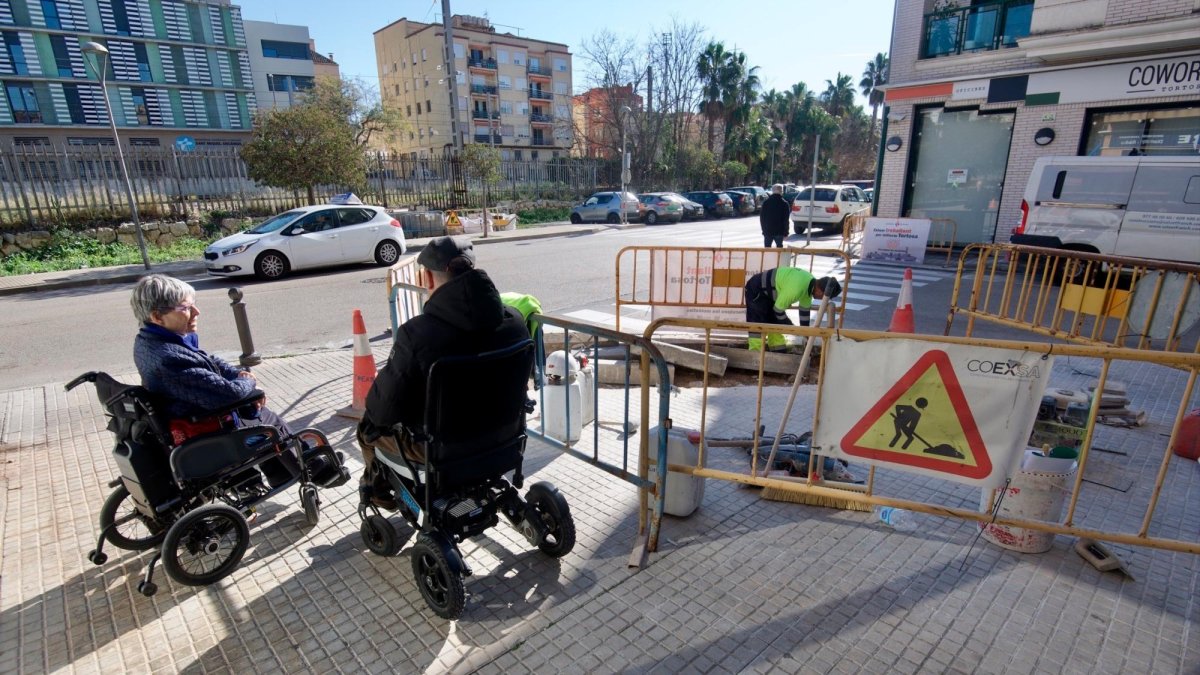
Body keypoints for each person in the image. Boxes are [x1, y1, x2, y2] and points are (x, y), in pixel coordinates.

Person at [357, 236, 530, 508]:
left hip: (442, 452)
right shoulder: (515, 322)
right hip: (504, 439)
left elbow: (383, 410)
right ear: (471, 269)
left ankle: (381, 494)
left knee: (368, 428)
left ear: (426, 278)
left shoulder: (417, 335)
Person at [130, 274, 299, 488]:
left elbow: (209, 361)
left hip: (190, 413)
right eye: (186, 308)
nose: (196, 312)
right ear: (157, 316)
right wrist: (250, 384)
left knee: (255, 414)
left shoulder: (150, 340)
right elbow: (230, 395)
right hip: (202, 425)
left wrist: (239, 374)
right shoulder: (169, 357)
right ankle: (312, 469)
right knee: (268, 420)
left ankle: (277, 476)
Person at [744, 267, 841, 351]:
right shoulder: (797, 288)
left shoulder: (810, 286)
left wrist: (806, 333)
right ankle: (754, 359)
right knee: (757, 326)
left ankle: (779, 353)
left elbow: (804, 313)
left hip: (770, 294)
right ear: (820, 291)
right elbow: (778, 310)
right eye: (825, 297)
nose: (823, 299)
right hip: (756, 290)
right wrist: (791, 328)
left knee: (775, 324)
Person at [759, 183, 791, 248]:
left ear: (772, 191)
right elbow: (786, 220)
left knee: (767, 250)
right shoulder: (784, 203)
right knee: (779, 249)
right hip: (779, 231)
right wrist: (786, 232)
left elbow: (762, 218)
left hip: (768, 230)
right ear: (781, 191)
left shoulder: (766, 203)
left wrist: (764, 230)